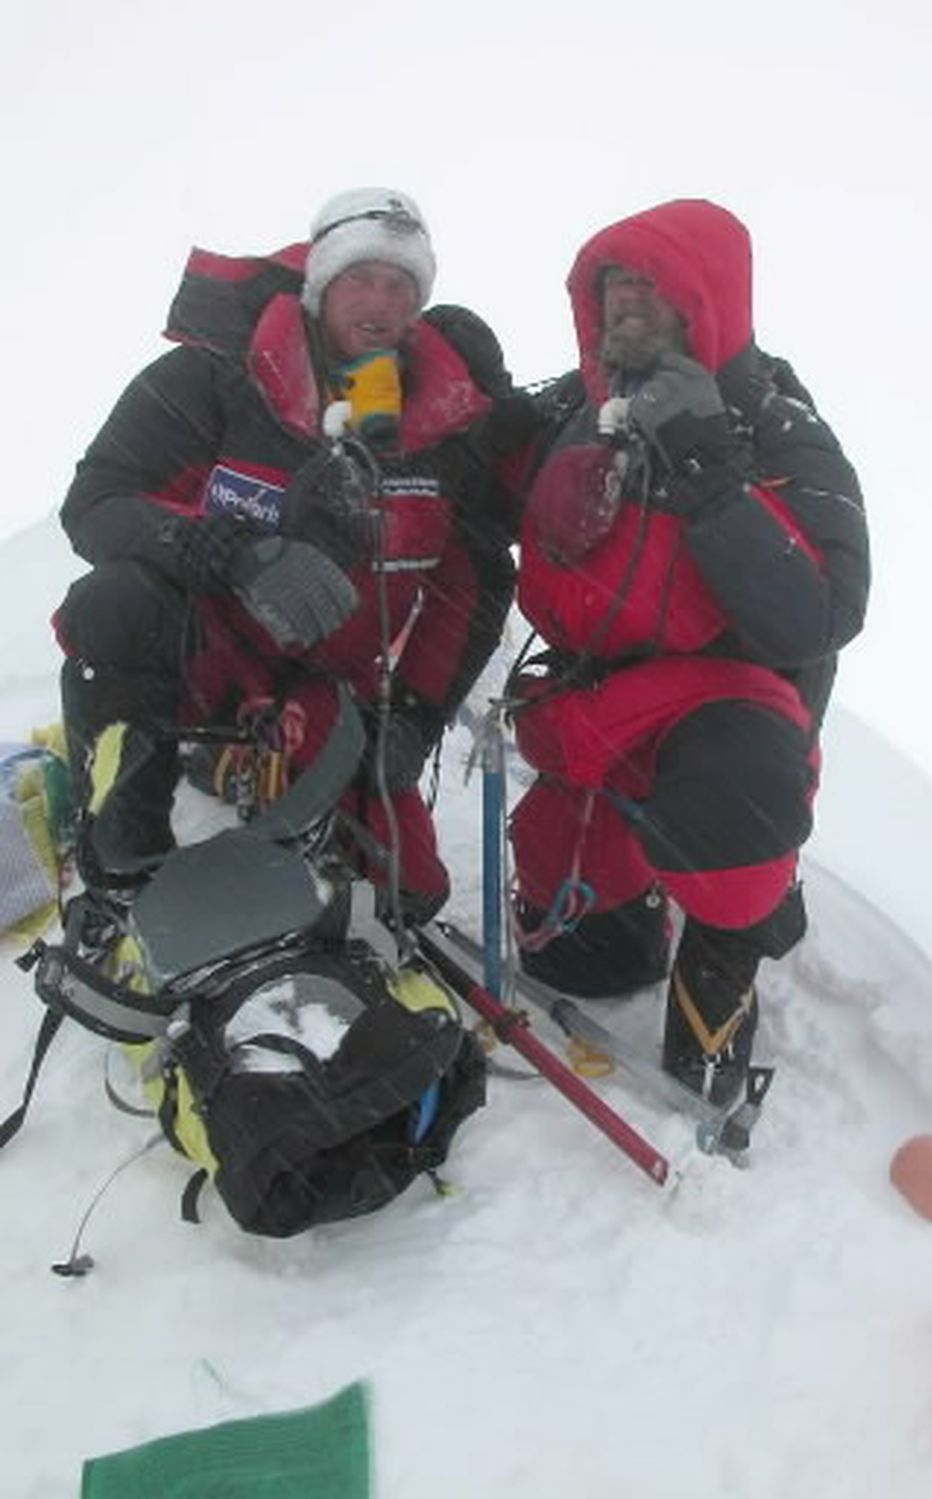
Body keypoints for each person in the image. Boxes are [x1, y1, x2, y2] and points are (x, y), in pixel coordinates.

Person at [54, 187, 518, 926]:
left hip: (328, 686)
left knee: (410, 892)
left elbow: (475, 583)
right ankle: (121, 854)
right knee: (113, 605)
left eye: (401, 285)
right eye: (359, 278)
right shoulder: (216, 376)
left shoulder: (439, 422)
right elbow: (98, 503)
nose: (379, 302)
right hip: (203, 658)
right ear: (319, 282)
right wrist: (223, 547)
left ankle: (257, 770)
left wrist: (417, 720)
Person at [506, 198, 870, 1104]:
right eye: (613, 285)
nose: (627, 302)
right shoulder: (579, 405)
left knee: (735, 817)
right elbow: (468, 460)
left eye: (652, 285)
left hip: (727, 720)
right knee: (588, 966)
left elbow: (818, 614)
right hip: (595, 709)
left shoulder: (780, 428)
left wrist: (708, 464)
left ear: (709, 299)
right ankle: (644, 899)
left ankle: (719, 981)